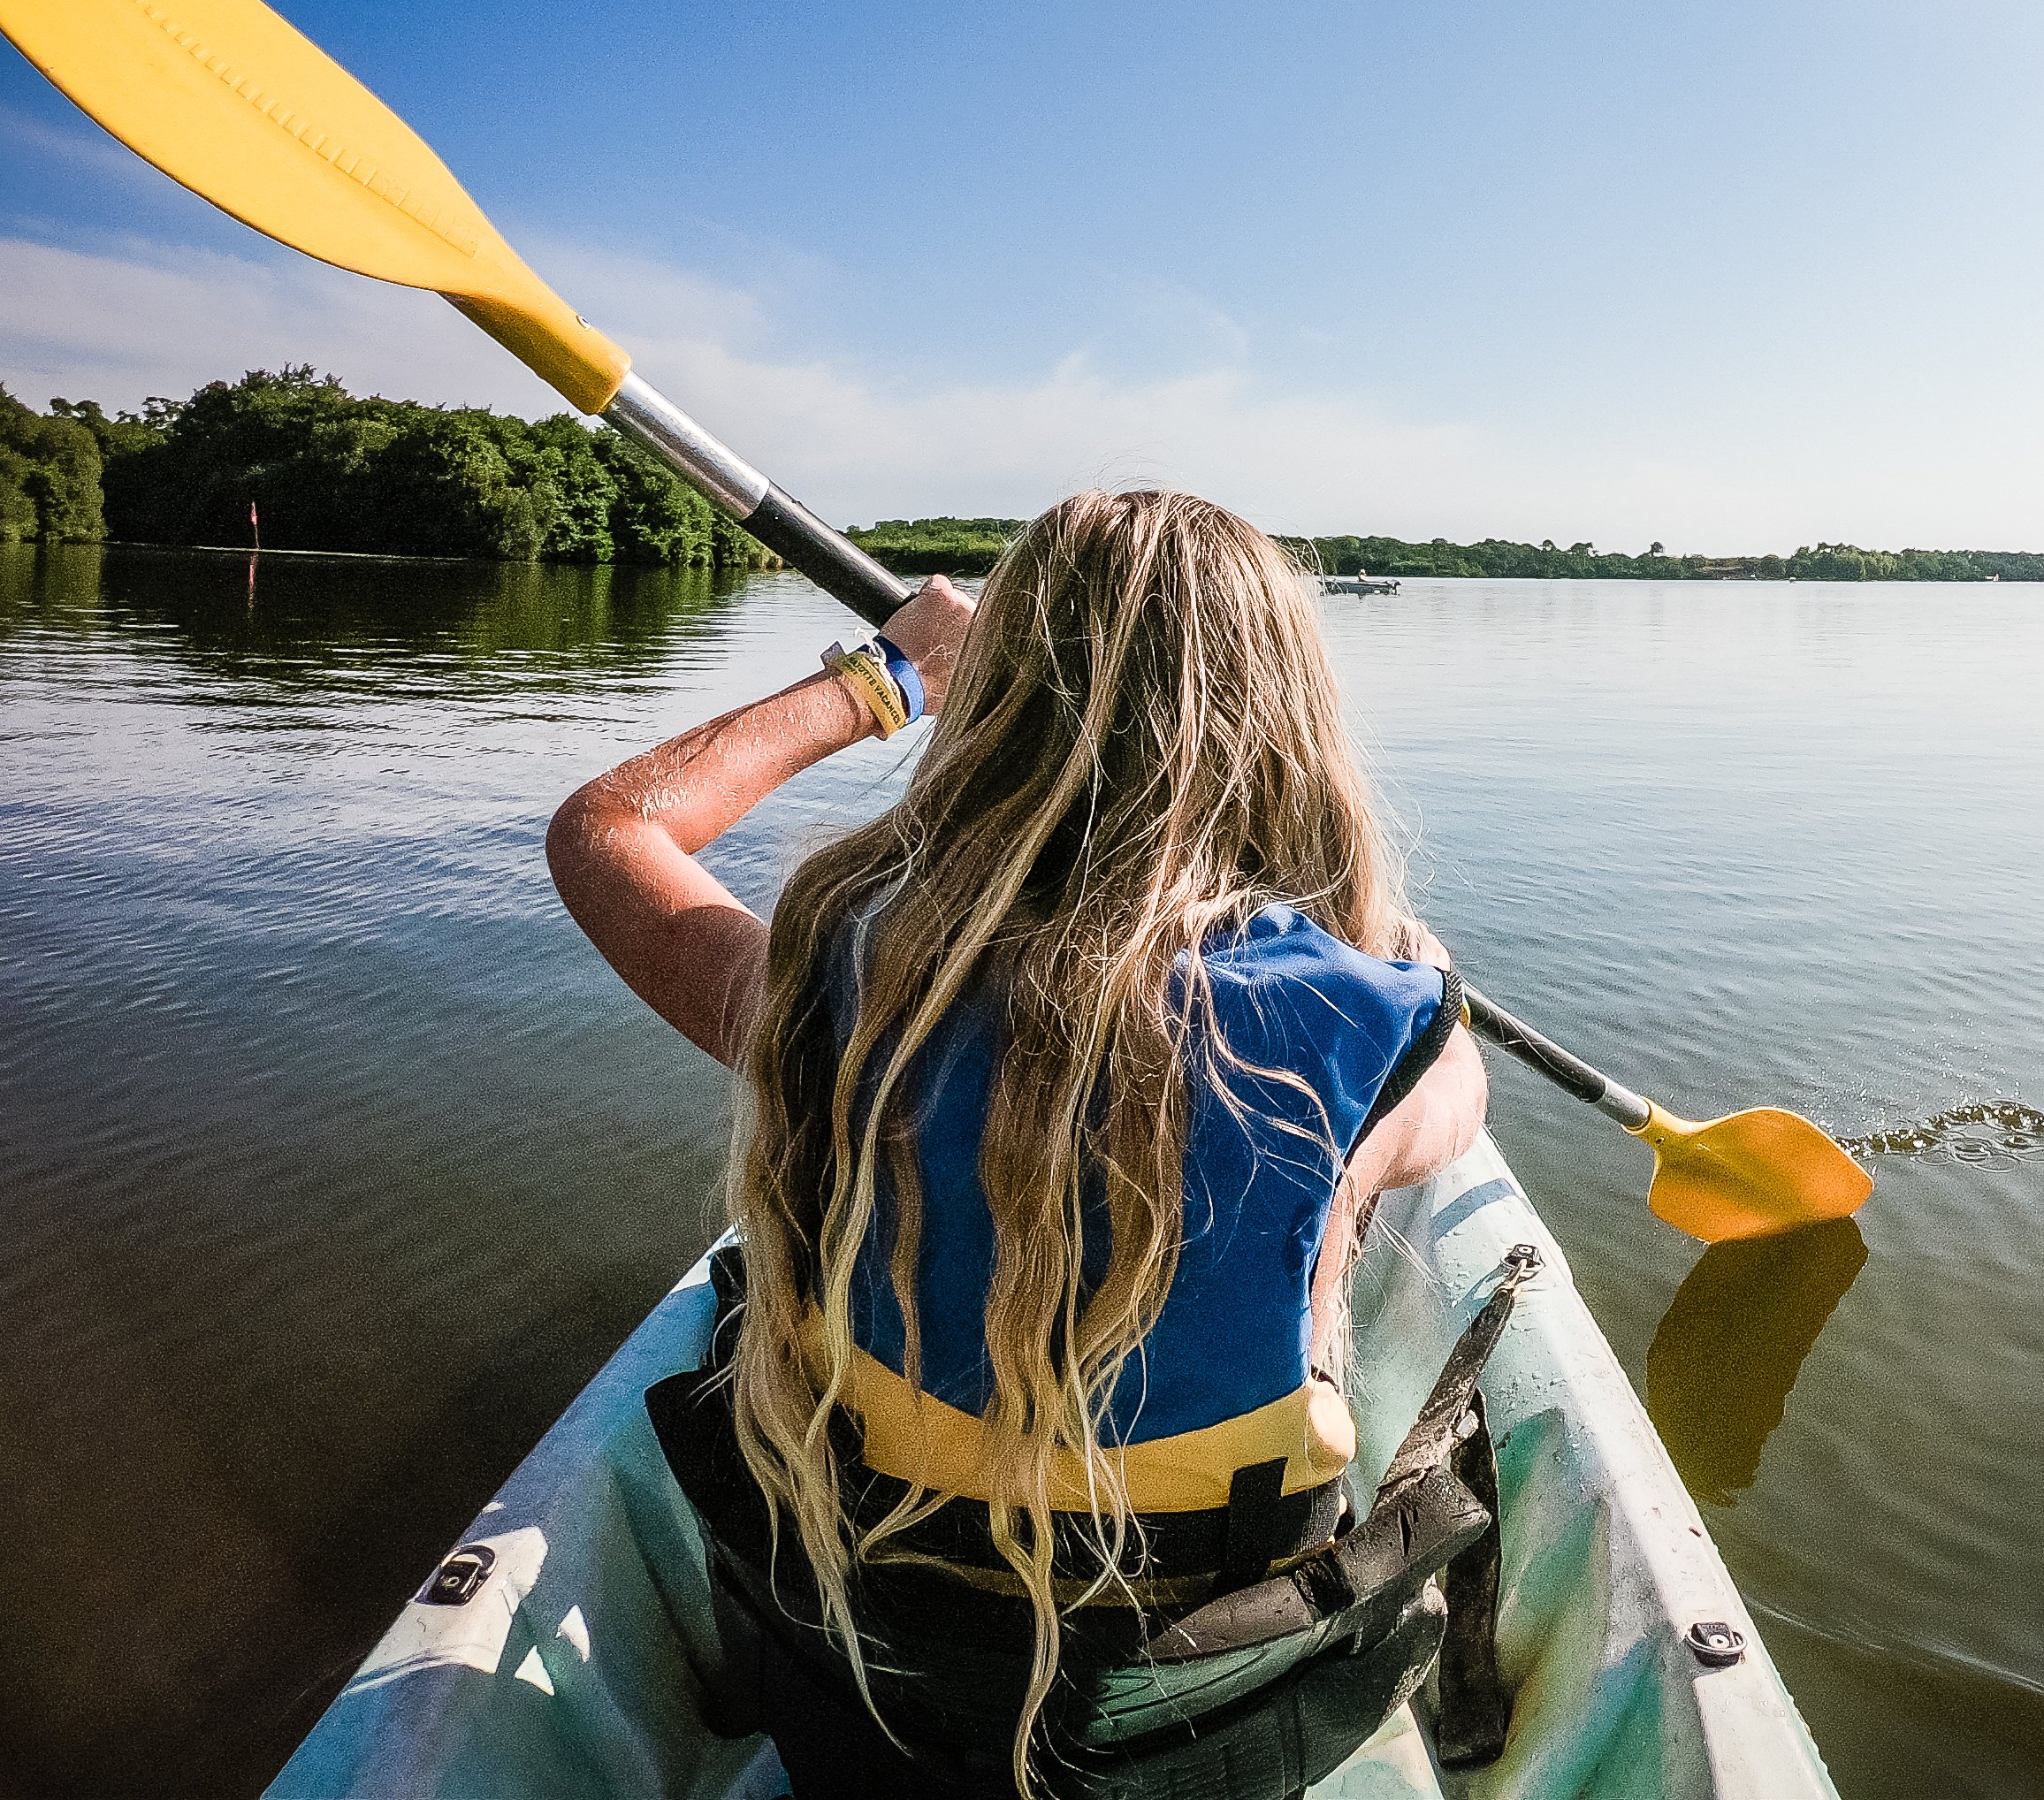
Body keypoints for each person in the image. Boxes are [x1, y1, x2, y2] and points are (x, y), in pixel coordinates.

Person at [545, 491, 1490, 1798]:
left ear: (997, 705)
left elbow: (607, 830)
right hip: (1194, 1690)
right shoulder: (1367, 1030)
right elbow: (1456, 1103)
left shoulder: (830, 979)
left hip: (871, 1666)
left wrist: (887, 675)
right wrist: (1414, 963)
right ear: (1287, 723)